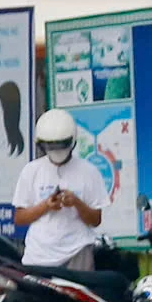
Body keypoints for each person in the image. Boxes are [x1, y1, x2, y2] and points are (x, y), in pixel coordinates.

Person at [14, 109, 108, 270]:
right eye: (50, 147)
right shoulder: (31, 171)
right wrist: (46, 205)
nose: (56, 152)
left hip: (77, 253)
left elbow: (96, 220)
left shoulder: (89, 172)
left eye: (61, 146)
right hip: (38, 255)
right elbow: (20, 218)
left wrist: (77, 203)